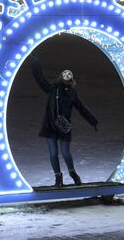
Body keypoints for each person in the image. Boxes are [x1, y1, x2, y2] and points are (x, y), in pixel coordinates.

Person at [29, 55, 98, 187]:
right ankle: (58, 178)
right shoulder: (52, 88)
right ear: (61, 76)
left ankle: (73, 174)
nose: (67, 74)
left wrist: (93, 121)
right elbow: (40, 80)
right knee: (53, 153)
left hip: (64, 126)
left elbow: (81, 108)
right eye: (65, 72)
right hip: (50, 125)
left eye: (69, 73)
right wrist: (36, 65)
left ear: (71, 78)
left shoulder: (72, 93)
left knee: (66, 152)